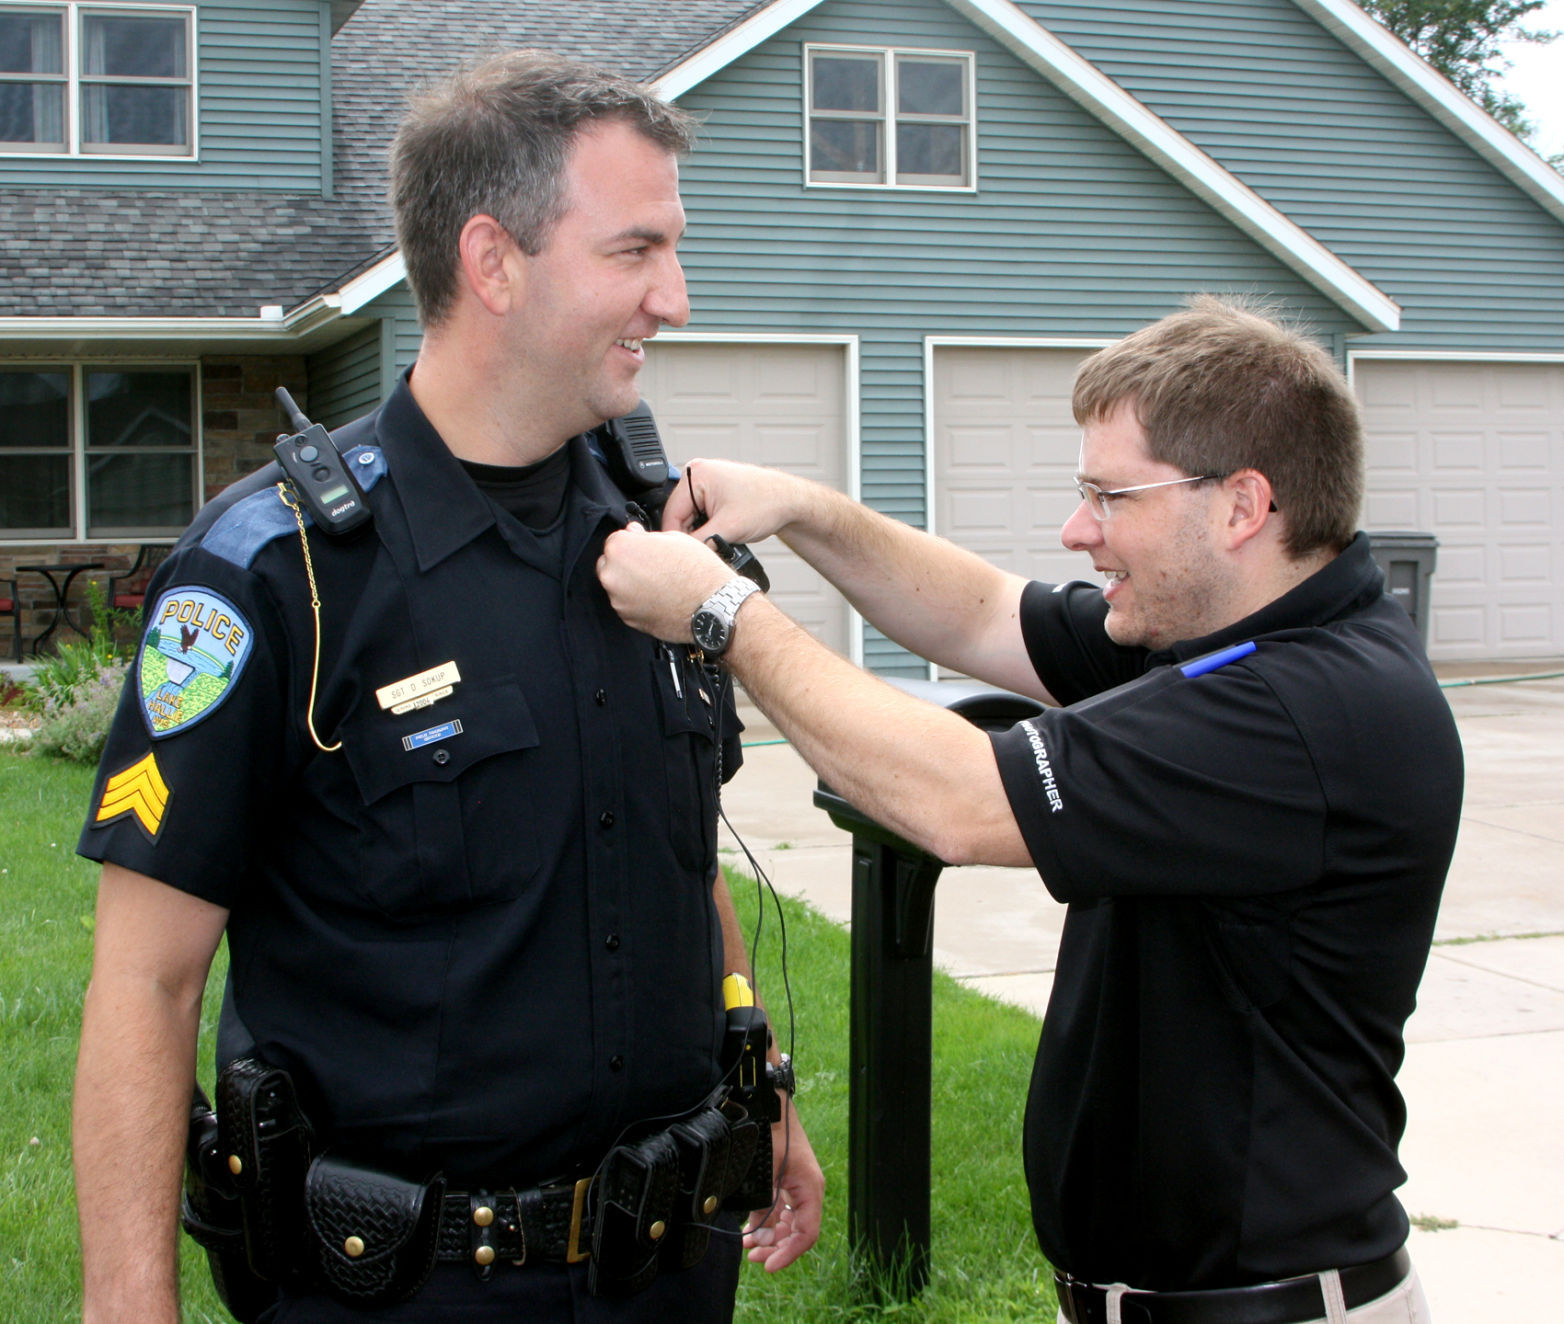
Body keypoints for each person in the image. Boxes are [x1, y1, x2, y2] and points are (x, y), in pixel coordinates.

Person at [74, 50, 820, 1324]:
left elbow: (680, 859)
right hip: (398, 1286)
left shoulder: (662, 550)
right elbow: (145, 983)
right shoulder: (279, 571)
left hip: (664, 1273)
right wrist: (127, 1306)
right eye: (635, 252)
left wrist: (759, 1092)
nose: (677, 299)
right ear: (493, 261)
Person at [597, 297, 1461, 1323]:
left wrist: (720, 612)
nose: (1077, 529)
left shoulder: (1310, 711)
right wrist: (803, 507)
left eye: (1109, 495)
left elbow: (958, 800)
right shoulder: (1226, 632)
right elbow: (983, 613)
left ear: (1239, 507)